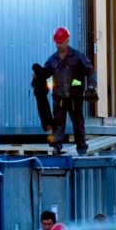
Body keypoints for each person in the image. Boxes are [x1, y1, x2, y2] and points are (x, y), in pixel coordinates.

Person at [35, 26, 97, 154]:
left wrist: (91, 86)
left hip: (75, 97)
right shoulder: (52, 60)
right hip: (59, 97)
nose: (58, 45)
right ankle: (56, 147)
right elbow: (45, 73)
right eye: (57, 42)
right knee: (58, 124)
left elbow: (90, 70)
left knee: (78, 122)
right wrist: (38, 74)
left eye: (60, 42)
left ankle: (81, 148)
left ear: (67, 40)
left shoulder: (77, 57)